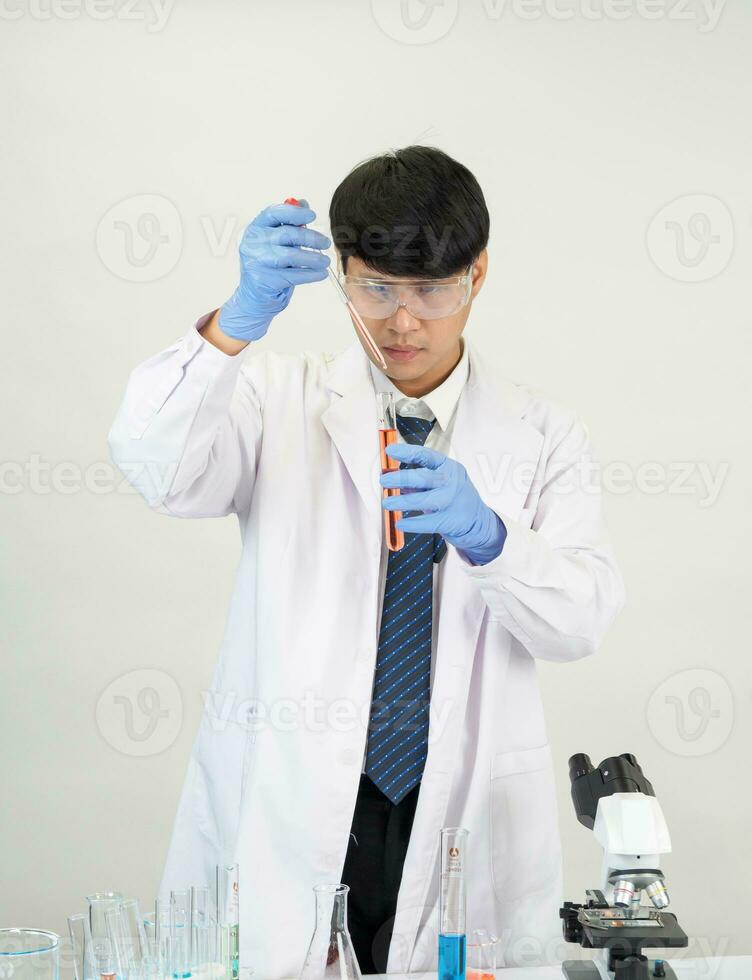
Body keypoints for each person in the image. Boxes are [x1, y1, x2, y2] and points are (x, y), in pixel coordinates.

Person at [108, 146, 625, 978]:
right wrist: (234, 323)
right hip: (299, 794)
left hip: (458, 801)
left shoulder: (545, 433)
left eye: (432, 290)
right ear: (340, 273)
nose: (403, 322)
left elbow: (581, 621)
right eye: (375, 288)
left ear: (478, 274)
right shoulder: (277, 398)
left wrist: (490, 536)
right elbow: (156, 468)